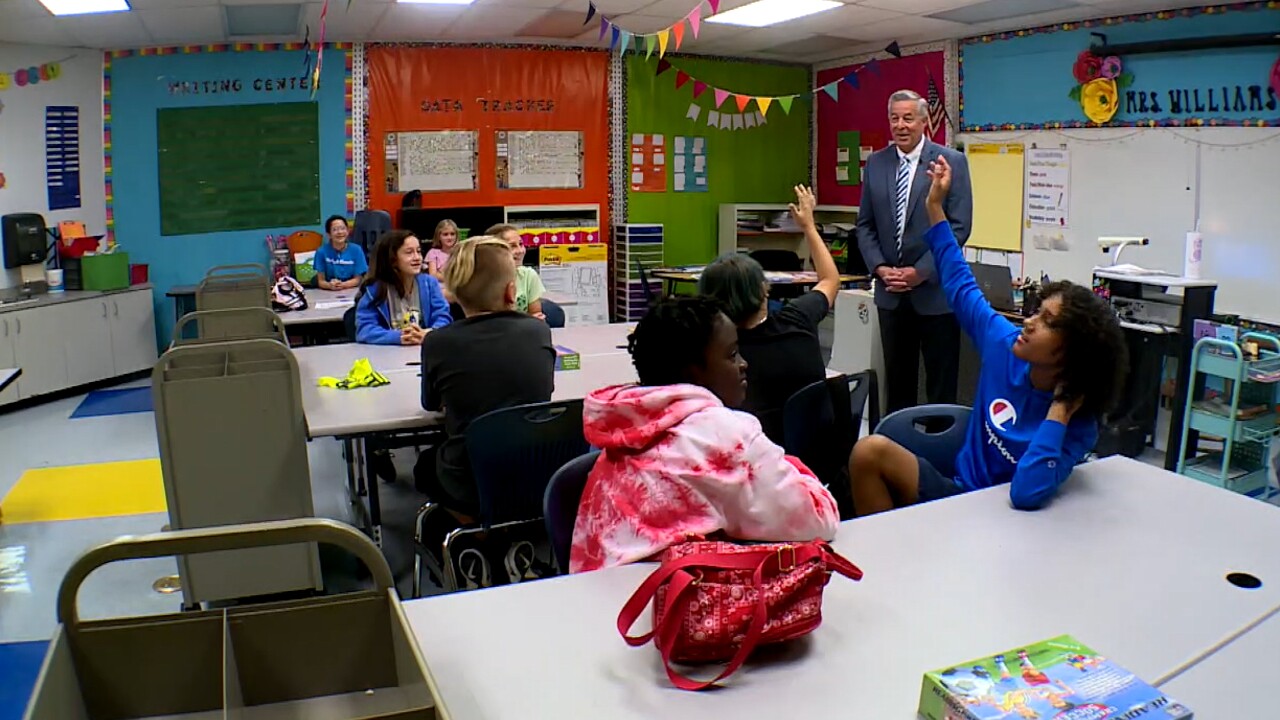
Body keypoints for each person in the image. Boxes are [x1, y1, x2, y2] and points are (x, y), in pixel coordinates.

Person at [849, 156, 1127, 514]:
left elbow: (1025, 494)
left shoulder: (1078, 422)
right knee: (868, 451)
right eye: (1036, 313)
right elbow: (960, 283)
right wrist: (935, 206)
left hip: (1013, 526)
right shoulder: (1004, 344)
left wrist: (1059, 410)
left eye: (1048, 322)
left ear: (1074, 352)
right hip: (959, 496)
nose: (1029, 323)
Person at [570, 296, 840, 573]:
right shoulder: (726, 434)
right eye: (732, 355)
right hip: (672, 592)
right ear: (694, 373)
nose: (744, 364)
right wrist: (789, 463)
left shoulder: (624, 424)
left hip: (594, 591)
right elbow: (821, 519)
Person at [416, 236, 555, 518]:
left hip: (469, 478)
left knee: (425, 465)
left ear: (455, 295)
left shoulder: (438, 343)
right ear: (511, 292)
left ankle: (474, 530)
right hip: (536, 469)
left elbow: (431, 404)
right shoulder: (538, 331)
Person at [857, 89, 973, 414]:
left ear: (924, 121)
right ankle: (898, 442)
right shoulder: (876, 163)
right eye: (894, 118)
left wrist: (921, 271)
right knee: (897, 384)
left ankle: (939, 441)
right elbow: (864, 225)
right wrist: (880, 268)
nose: (900, 125)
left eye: (908, 118)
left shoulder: (950, 162)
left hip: (935, 294)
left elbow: (959, 227)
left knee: (941, 386)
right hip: (891, 294)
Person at [698, 184, 840, 443]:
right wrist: (808, 226)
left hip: (753, 457)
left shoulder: (714, 359)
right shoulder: (799, 318)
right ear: (764, 290)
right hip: (819, 454)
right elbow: (830, 279)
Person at [354, 229, 451, 345]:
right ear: (393, 259)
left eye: (419, 251)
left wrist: (429, 333)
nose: (417, 257)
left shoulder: (429, 284)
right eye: (409, 252)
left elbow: (444, 318)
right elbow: (365, 330)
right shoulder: (374, 290)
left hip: (424, 349)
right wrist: (399, 337)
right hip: (389, 352)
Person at [486, 223, 546, 319]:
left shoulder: (529, 275)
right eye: (512, 246)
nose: (520, 251)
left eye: (521, 244)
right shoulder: (483, 278)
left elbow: (536, 318)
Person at [314, 215, 367, 291]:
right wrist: (330, 285)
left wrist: (342, 285)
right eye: (335, 229)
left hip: (351, 289)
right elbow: (321, 281)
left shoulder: (357, 250)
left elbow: (358, 279)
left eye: (342, 228)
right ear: (329, 234)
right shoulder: (321, 252)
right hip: (328, 291)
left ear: (347, 231)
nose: (340, 232)